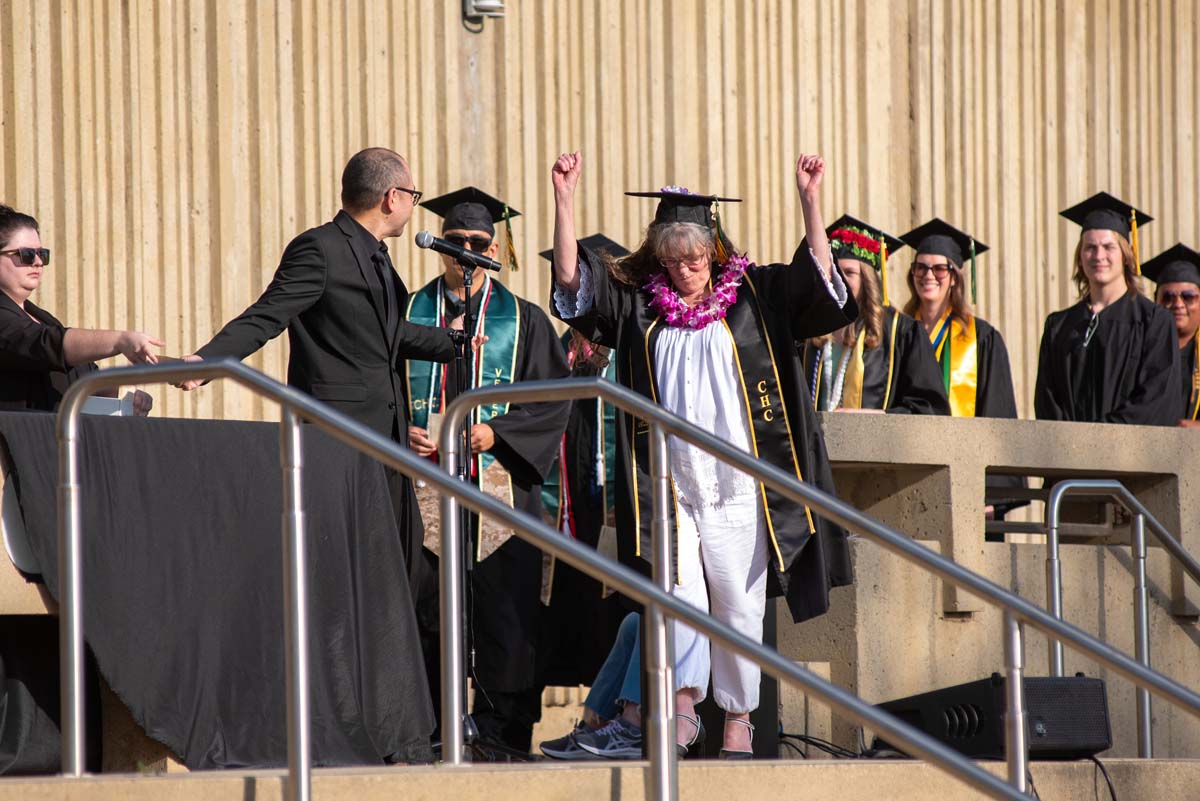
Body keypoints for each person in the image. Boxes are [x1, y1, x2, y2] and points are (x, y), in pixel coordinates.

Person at [549, 151, 856, 759]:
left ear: (714, 251)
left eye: (694, 259)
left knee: (737, 602)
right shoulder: (641, 307)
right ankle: (684, 708)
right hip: (670, 483)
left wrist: (810, 202)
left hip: (740, 481)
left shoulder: (758, 294)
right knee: (680, 596)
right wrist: (564, 201)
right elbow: (572, 286)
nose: (685, 270)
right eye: (672, 261)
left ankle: (738, 720)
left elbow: (820, 285)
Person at [178, 149, 457, 740]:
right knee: (341, 585)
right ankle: (338, 722)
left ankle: (394, 726)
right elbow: (268, 315)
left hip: (387, 446)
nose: (413, 204)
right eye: (412, 193)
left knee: (399, 579)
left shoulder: (378, 257)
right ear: (392, 198)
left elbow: (387, 335)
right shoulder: (319, 249)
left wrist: (452, 342)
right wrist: (207, 361)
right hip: (337, 444)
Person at [405, 186, 570, 754]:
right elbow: (380, 388)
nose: (467, 252)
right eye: (456, 241)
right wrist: (401, 428)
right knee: (428, 607)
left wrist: (497, 432)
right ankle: (429, 730)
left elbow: (552, 399)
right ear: (439, 245)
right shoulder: (407, 312)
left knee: (504, 609)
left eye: (479, 243)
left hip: (499, 483)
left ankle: (501, 733)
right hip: (422, 480)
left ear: (494, 249)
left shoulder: (524, 320)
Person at [535, 235, 627, 698]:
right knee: (570, 613)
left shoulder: (629, 352)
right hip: (565, 512)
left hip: (614, 504)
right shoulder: (553, 353)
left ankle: (611, 710)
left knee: (612, 610)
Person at [898, 218, 1022, 519]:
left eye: (940, 268)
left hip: (968, 480)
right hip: (908, 473)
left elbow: (997, 415)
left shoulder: (981, 338)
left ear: (954, 277)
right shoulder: (899, 334)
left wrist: (992, 495)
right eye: (920, 267)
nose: (929, 275)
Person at [1034, 192, 1180, 425]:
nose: (1098, 255)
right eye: (1090, 247)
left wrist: (1103, 436)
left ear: (1125, 255)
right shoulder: (1059, 326)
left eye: (1108, 247)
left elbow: (1157, 400)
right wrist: (1071, 440)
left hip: (1130, 447)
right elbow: (1047, 399)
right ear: (1080, 256)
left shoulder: (1154, 322)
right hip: (1066, 448)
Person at [0, 204, 157, 413]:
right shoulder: (17, 323)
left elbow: (84, 379)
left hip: (51, 432)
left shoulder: (42, 318)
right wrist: (121, 340)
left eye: (42, 254)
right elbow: (45, 343)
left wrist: (126, 399)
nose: (38, 262)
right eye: (26, 254)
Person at [800, 214, 948, 414]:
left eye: (850, 273)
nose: (839, 280)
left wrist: (873, 417)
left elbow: (929, 408)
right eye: (834, 272)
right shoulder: (813, 333)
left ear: (867, 280)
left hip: (876, 434)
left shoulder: (902, 333)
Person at [1141, 243, 1200, 425]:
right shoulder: (1139, 349)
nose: (1178, 304)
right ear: (1155, 302)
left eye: (1188, 297)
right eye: (1167, 297)